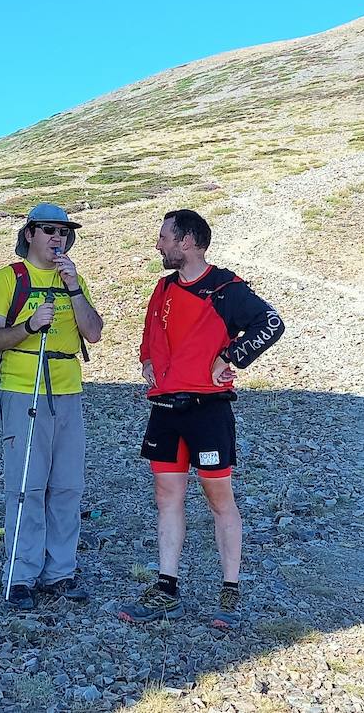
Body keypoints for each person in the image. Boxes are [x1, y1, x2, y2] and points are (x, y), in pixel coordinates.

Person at [118, 209, 285, 629]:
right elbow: (150, 334)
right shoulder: (162, 289)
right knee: (166, 498)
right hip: (164, 409)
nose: (159, 245)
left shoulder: (225, 288)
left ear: (187, 241)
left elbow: (271, 323)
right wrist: (147, 362)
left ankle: (230, 592)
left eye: (164, 238)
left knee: (218, 500)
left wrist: (231, 357)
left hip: (208, 410)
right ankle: (166, 588)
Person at [0, 203, 104, 610]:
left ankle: (60, 572)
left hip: (68, 389)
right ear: (29, 233)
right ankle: (20, 574)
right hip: (23, 387)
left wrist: (73, 289)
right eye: (49, 230)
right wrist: (31, 325)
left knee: (67, 486)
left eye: (64, 232)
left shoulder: (75, 279)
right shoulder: (8, 279)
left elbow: (95, 332)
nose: (58, 238)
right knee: (26, 486)